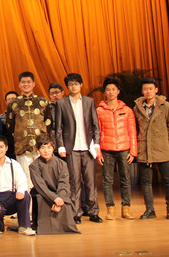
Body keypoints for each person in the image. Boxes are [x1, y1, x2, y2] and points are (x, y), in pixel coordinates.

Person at [55, 73, 103, 224]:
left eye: (76, 83)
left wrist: (96, 144)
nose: (73, 86)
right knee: (74, 182)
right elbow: (58, 128)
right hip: (72, 148)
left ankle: (93, 211)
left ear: (81, 85)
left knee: (90, 182)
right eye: (70, 84)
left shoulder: (89, 101)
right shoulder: (61, 103)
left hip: (88, 147)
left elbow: (95, 125)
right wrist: (61, 145)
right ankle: (76, 213)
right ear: (67, 87)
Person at [133, 77, 169, 220]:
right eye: (145, 89)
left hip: (161, 148)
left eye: (150, 89)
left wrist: (164, 139)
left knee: (167, 180)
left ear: (156, 90)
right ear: (142, 91)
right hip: (144, 149)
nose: (148, 91)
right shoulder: (137, 108)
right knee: (146, 181)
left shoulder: (165, 106)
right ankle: (150, 210)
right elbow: (135, 127)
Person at [96, 77, 137, 220]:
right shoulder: (99, 110)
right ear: (104, 92)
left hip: (124, 148)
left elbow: (132, 131)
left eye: (113, 89)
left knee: (126, 179)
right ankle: (110, 209)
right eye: (108, 90)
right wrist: (98, 152)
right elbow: (96, 132)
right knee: (107, 180)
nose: (111, 92)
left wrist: (133, 151)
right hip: (106, 149)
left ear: (118, 91)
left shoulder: (127, 110)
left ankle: (126, 209)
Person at [4, 72, 52, 186]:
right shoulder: (14, 104)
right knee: (25, 180)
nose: (26, 84)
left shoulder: (43, 102)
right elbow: (10, 126)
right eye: (23, 82)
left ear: (34, 84)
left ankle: (43, 198)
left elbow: (48, 123)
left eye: (28, 82)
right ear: (19, 84)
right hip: (22, 147)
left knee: (43, 178)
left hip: (41, 147)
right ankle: (27, 199)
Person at [0, 135, 35, 235]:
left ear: (6, 148)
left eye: (1, 147)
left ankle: (24, 227)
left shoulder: (14, 164)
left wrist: (20, 191)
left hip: (12, 197)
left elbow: (22, 181)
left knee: (25, 195)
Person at [29, 134, 80, 235]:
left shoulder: (62, 164)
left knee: (66, 200)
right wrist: (54, 198)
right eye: (42, 148)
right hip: (44, 194)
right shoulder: (34, 166)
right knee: (41, 199)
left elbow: (64, 183)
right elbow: (40, 186)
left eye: (48, 147)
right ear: (38, 149)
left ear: (53, 148)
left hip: (59, 194)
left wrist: (60, 199)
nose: (46, 151)